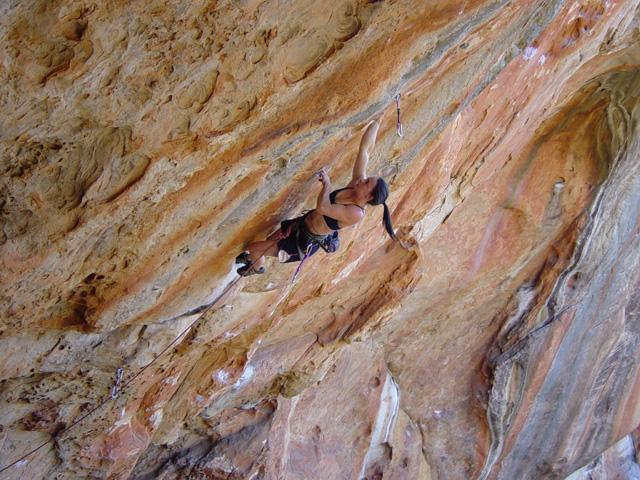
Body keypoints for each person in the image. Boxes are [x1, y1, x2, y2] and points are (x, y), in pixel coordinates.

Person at [236, 118, 396, 276]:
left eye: (366, 182)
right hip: (300, 225)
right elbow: (365, 151)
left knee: (255, 248)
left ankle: (254, 267)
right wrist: (377, 121)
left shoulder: (356, 213)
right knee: (265, 245)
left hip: (303, 242)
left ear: (368, 197)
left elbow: (323, 208)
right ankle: (252, 261)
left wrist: (327, 186)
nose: (362, 180)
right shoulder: (355, 186)